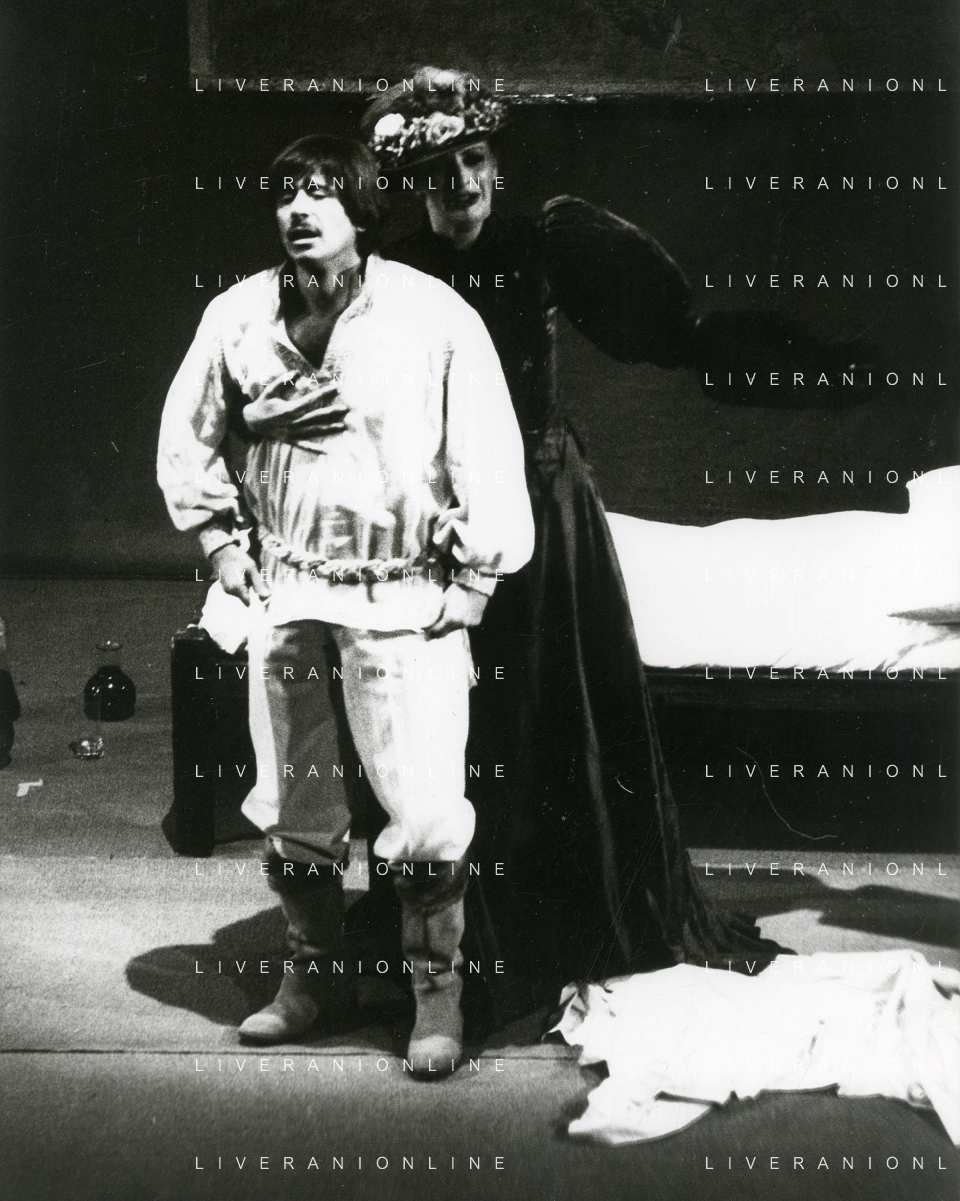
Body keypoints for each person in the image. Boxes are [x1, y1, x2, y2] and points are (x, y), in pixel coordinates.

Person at [357, 68, 813, 1027]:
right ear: (414, 184)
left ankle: (567, 912)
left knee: (550, 712)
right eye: (440, 171)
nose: (462, 184)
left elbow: (662, 326)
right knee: (456, 724)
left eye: (475, 161)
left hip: (540, 505)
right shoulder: (392, 270)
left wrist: (769, 356)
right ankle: (460, 930)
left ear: (495, 167)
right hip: (440, 517)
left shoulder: (540, 241)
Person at [157, 134, 534, 1075]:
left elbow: (486, 444)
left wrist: (476, 580)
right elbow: (187, 436)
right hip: (288, 592)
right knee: (298, 800)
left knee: (426, 810)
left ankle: (436, 995)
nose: (299, 209)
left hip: (400, 595)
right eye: (286, 192)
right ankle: (311, 979)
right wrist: (220, 543)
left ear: (362, 208)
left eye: (322, 193)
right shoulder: (239, 317)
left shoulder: (430, 316)